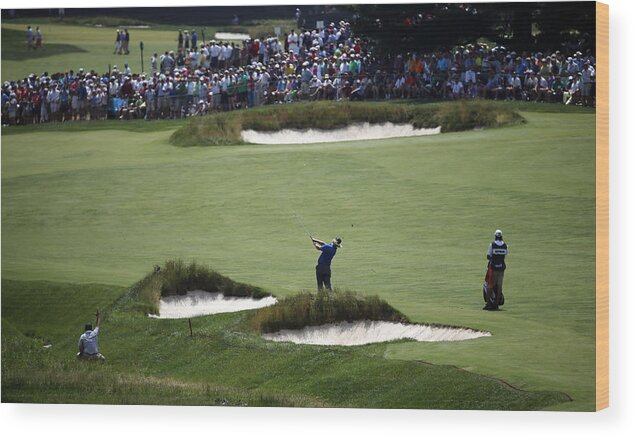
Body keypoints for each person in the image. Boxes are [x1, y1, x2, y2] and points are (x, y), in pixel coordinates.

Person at [484, 230, 508, 311]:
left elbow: (488, 256)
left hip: (493, 268)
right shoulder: (505, 245)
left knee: (490, 285)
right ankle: (496, 304)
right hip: (501, 269)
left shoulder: (492, 244)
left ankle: (488, 304)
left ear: (495, 236)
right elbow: (505, 254)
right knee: (499, 286)